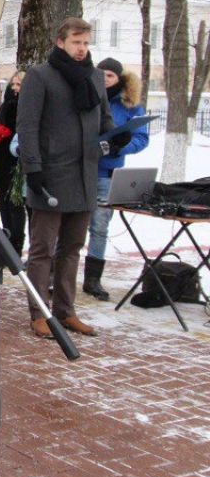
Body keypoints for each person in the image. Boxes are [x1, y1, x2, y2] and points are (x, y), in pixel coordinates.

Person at [16, 18, 123, 339]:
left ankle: (65, 311)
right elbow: (28, 125)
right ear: (61, 42)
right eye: (77, 42)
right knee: (42, 249)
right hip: (49, 175)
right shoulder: (40, 76)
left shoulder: (93, 77)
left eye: (86, 43)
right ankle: (39, 312)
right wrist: (32, 167)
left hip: (85, 175)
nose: (82, 49)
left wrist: (116, 136)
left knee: (72, 248)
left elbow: (104, 121)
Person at [83, 57, 149, 300]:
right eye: (101, 74)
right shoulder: (85, 95)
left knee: (99, 227)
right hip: (80, 169)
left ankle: (92, 279)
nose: (105, 79)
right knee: (69, 224)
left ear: (119, 78)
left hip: (106, 174)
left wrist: (120, 146)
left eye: (110, 75)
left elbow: (141, 138)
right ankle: (56, 273)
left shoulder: (129, 105)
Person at [0, 71, 27, 254]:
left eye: (19, 84)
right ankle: (7, 243)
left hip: (17, 162)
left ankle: (16, 245)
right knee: (4, 203)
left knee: (16, 205)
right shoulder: (7, 105)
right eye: (13, 84)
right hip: (1, 161)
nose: (14, 88)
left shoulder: (27, 107)